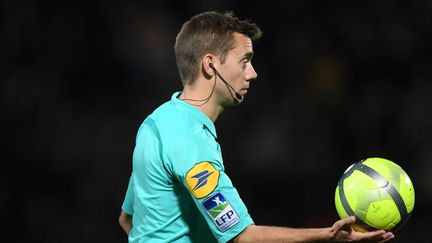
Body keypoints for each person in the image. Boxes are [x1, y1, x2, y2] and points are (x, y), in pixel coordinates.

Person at [119, 11, 395, 242]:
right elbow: (242, 236)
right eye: (245, 61)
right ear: (210, 64)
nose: (253, 73)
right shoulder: (190, 141)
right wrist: (326, 236)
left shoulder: (156, 121)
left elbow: (128, 218)